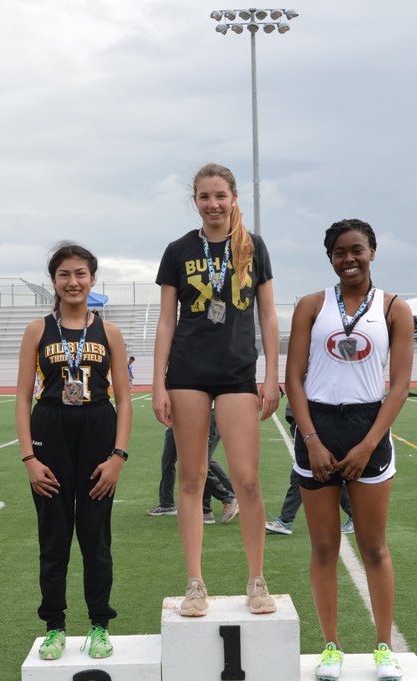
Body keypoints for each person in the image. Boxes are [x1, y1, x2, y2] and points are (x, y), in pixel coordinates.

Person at [286, 218, 413, 681]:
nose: (349, 259)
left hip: (368, 428)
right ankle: (331, 647)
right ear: (331, 258)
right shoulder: (310, 306)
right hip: (318, 427)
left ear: (373, 252)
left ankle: (383, 646)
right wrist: (313, 440)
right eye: (340, 252)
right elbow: (292, 379)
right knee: (323, 547)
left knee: (374, 547)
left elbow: (398, 386)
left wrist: (367, 443)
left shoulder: (395, 309)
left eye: (357, 249)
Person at [152, 162, 280, 617]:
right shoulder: (177, 250)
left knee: (246, 479)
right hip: (187, 372)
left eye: (220, 196)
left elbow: (267, 317)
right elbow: (167, 320)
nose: (213, 204)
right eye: (205, 197)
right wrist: (158, 382)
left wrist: (270, 375)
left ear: (234, 198)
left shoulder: (252, 247)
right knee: (192, 479)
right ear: (196, 202)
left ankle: (256, 579)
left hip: (238, 374)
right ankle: (195, 583)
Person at [15, 243, 132, 661]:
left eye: (81, 273)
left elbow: (125, 397)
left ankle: (99, 623)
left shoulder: (110, 332)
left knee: (96, 537)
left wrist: (118, 456)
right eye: (64, 274)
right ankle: (55, 627)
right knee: (54, 537)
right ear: (54, 281)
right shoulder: (37, 330)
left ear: (93, 279)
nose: (73, 282)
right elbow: (22, 397)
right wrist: (29, 458)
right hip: (50, 428)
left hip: (98, 427)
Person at [266, 397, 355, 536]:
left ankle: (285, 520)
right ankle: (285, 520)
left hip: (316, 420)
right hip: (306, 418)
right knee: (310, 472)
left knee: (310, 472)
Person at [147, 410, 239, 525]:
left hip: (204, 415)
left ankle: (225, 500)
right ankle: (167, 504)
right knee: (170, 461)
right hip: (179, 418)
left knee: (199, 463)